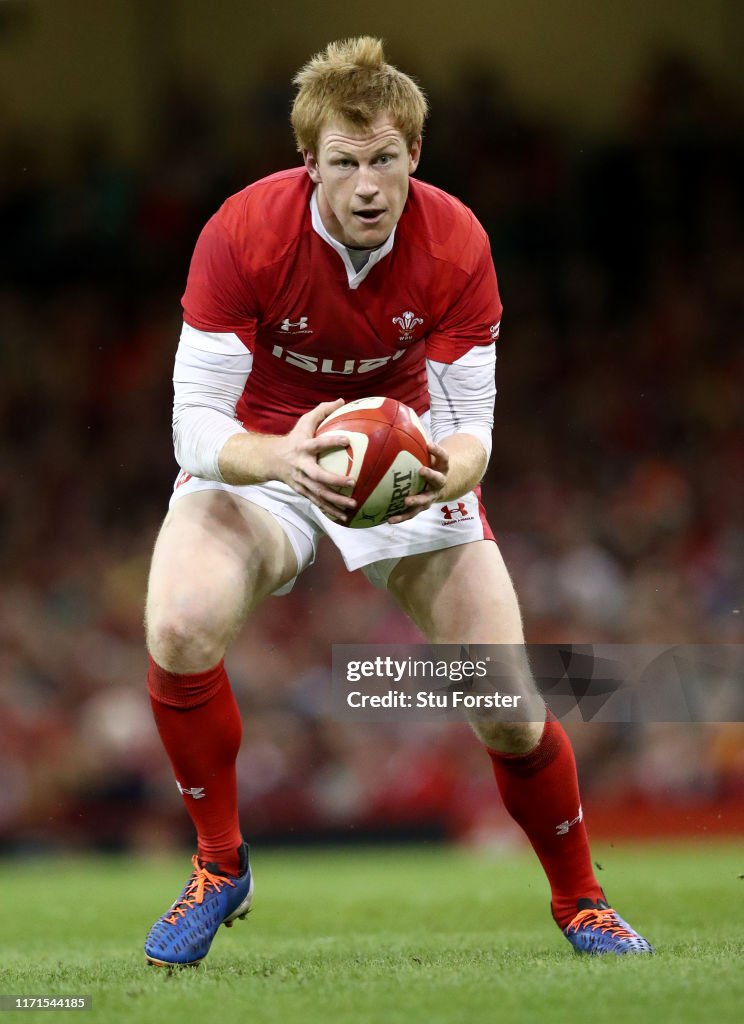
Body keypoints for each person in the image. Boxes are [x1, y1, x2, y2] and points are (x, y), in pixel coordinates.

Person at [143, 37, 653, 967]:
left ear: (415, 154)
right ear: (310, 165)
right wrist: (282, 458)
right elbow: (192, 425)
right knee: (177, 627)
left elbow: (473, 436)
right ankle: (221, 866)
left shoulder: (457, 239)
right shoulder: (243, 233)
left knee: (508, 708)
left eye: (386, 158)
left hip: (406, 454)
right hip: (271, 451)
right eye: (346, 161)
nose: (368, 183)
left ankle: (583, 904)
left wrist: (427, 475)